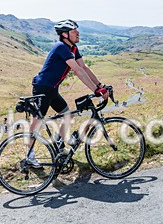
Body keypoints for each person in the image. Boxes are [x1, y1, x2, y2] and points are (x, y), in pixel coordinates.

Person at [27, 19, 109, 166]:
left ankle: (59, 142)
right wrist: (96, 90)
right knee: (37, 121)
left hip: (52, 89)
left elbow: (84, 67)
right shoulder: (61, 47)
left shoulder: (73, 48)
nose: (78, 33)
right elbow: (77, 71)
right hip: (42, 88)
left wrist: (100, 85)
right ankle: (29, 156)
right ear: (65, 35)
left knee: (68, 115)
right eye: (74, 31)